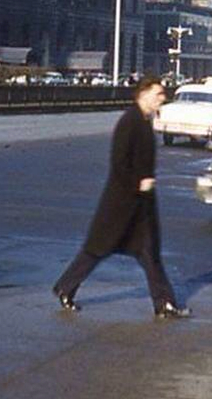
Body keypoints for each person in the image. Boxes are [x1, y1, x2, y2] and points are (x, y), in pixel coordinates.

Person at [52, 75, 190, 318]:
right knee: (96, 250)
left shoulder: (144, 120)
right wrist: (139, 183)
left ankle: (164, 303)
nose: (162, 98)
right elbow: (119, 162)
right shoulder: (130, 121)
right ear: (144, 93)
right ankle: (65, 286)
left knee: (150, 254)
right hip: (122, 203)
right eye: (158, 94)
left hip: (140, 204)